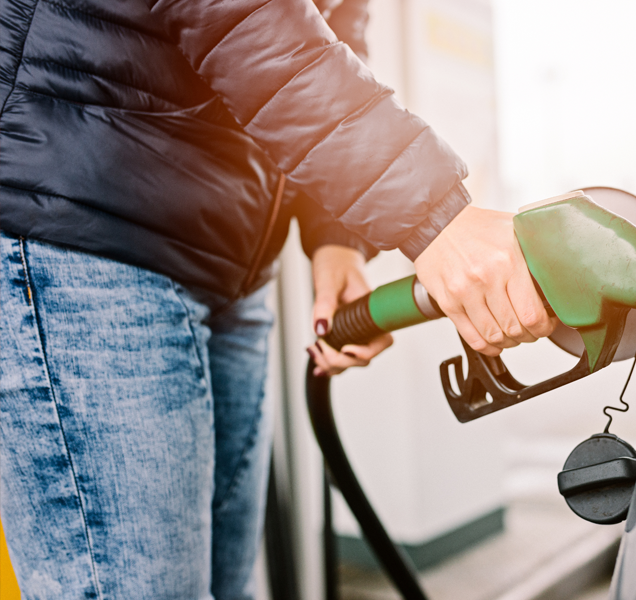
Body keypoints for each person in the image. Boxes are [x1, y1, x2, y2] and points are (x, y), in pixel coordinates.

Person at [0, 0, 554, 597]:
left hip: (228, 260)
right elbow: (245, 16)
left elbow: (336, 27)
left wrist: (335, 240)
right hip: (83, 230)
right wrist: (434, 216)